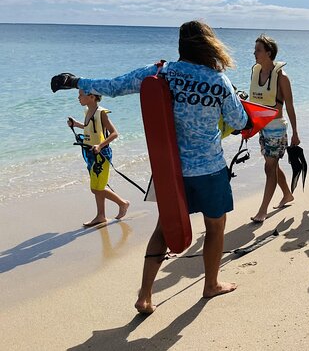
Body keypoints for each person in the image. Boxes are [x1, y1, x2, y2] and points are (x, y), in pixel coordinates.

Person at [51, 21, 248, 313]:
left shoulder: (160, 71)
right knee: (215, 226)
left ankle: (145, 296)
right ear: (210, 44)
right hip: (208, 168)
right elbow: (240, 122)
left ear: (181, 45)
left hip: (169, 170)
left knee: (164, 228)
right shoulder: (218, 81)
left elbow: (116, 86)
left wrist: (77, 81)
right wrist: (237, 101)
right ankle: (211, 285)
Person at [249, 34, 300, 222]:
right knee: (272, 165)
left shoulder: (282, 77)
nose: (254, 53)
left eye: (258, 50)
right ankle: (287, 193)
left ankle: (263, 210)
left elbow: (290, 106)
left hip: (277, 128)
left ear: (269, 53)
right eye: (255, 50)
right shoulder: (256, 72)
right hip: (261, 127)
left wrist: (295, 132)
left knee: (269, 168)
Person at [68, 90, 130, 227]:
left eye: (80, 95)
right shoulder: (88, 110)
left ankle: (122, 203)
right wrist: (76, 124)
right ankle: (101, 215)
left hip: (101, 155)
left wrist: (100, 145)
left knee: (96, 188)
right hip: (90, 153)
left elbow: (114, 134)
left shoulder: (101, 112)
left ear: (92, 97)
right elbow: (88, 127)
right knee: (97, 186)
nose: (78, 97)